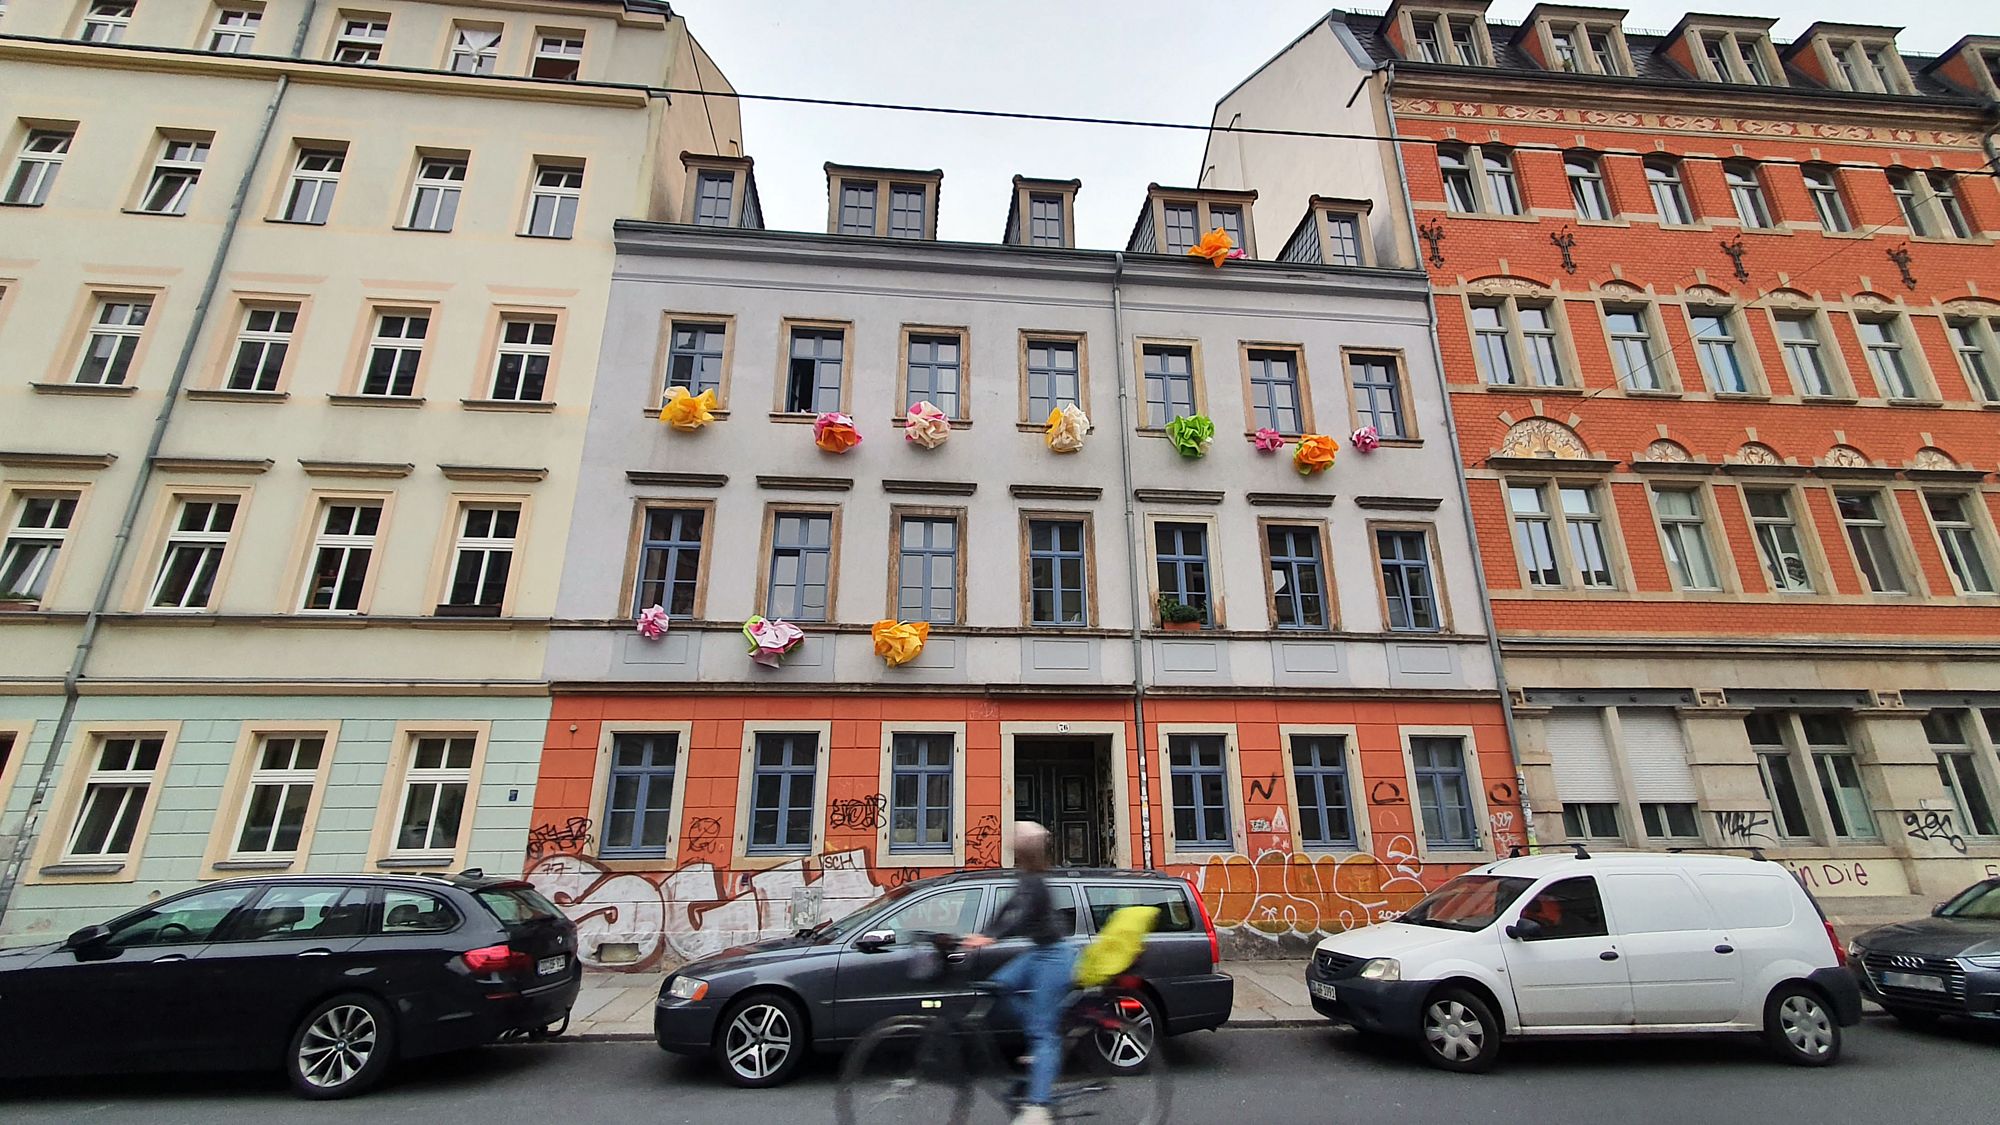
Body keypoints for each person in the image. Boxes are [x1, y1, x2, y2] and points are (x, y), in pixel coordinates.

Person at [961, 821, 1074, 1125]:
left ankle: (1038, 1108)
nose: (1011, 845)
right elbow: (1007, 908)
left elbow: (1020, 916)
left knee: (1043, 1034)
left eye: (1016, 843)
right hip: (1039, 952)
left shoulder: (1036, 883)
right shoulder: (1026, 878)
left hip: (1053, 956)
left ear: (1025, 850)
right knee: (998, 985)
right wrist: (983, 933)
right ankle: (1037, 1039)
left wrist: (991, 937)